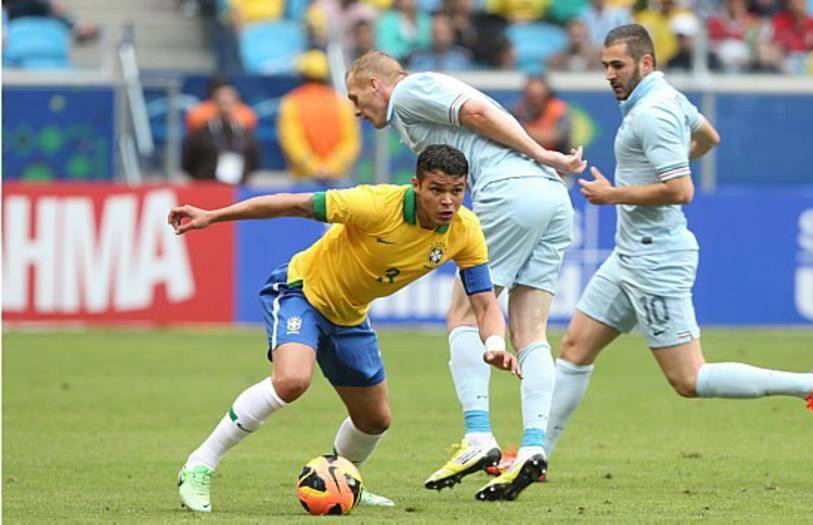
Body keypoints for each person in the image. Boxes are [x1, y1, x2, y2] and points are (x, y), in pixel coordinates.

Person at [544, 24, 813, 465]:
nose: (609, 74)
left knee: (689, 379)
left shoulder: (654, 114)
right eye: (605, 65)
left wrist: (615, 194)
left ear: (646, 63)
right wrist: (655, 170)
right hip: (629, 254)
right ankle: (536, 456)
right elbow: (709, 137)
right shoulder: (663, 96)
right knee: (574, 348)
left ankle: (810, 383)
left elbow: (681, 190)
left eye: (617, 65)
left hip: (655, 259)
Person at [172, 144, 521, 513]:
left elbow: (484, 302)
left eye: (457, 190)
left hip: (351, 316)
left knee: (375, 420)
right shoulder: (373, 204)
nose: (448, 201)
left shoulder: (465, 229)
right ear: (416, 184)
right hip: (301, 292)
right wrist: (213, 216)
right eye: (437, 189)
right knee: (292, 381)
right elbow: (293, 204)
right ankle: (199, 465)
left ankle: (343, 478)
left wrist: (495, 343)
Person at [345, 51, 585, 501]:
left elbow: (478, 111)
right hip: (552, 199)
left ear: (376, 85)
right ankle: (533, 446)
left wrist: (541, 152)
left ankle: (478, 437)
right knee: (530, 329)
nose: (356, 110)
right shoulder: (409, 116)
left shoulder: (412, 90)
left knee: (464, 313)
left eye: (356, 97)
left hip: (511, 190)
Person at [277, 50, 361, 181]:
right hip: (336, 180)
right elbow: (350, 141)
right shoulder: (341, 102)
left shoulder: (291, 102)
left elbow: (292, 141)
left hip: (303, 180)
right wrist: (331, 168)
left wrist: (314, 168)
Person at [181, 80, 260, 184]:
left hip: (238, 189)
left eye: (229, 100)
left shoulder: (246, 135)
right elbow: (188, 163)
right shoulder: (200, 135)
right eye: (221, 100)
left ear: (237, 103)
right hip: (206, 188)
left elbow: (254, 163)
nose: (225, 103)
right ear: (213, 103)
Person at [512, 75, 571, 154]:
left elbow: (559, 137)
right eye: (531, 97)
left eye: (539, 96)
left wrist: (526, 133)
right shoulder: (516, 110)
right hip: (526, 157)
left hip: (556, 156)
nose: (536, 102)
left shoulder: (559, 108)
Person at [406, 13, 474, 71]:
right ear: (431, 34)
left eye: (443, 33)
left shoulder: (462, 58)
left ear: (452, 34)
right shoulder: (418, 59)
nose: (440, 37)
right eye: (436, 33)